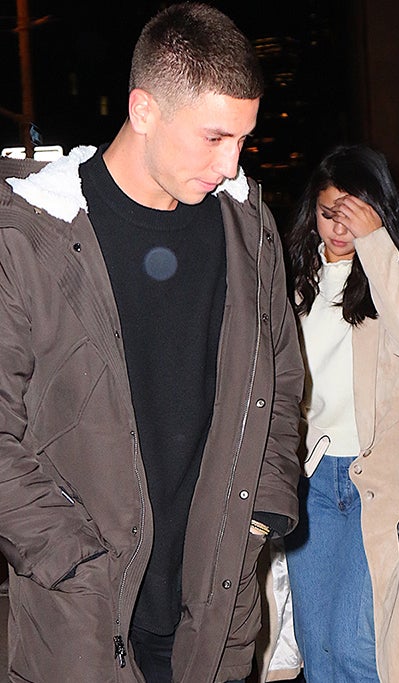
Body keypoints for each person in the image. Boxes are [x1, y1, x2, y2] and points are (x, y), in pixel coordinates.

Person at [0, 3, 304, 683]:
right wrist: (74, 561)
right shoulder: (29, 238)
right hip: (83, 621)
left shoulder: (248, 231)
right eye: (214, 137)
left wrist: (257, 516)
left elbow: (282, 378)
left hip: (213, 614)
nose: (231, 164)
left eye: (242, 141)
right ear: (143, 110)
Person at [283, 143, 399, 682]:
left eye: (354, 214)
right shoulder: (296, 276)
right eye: (329, 213)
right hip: (313, 479)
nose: (339, 228)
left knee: (360, 644)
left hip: (379, 479)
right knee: (318, 647)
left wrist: (374, 242)